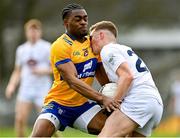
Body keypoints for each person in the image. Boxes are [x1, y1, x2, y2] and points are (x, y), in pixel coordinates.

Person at [30, 4, 120, 137]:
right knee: (39, 136)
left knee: (117, 129)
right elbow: (72, 81)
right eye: (78, 19)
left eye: (85, 18)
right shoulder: (60, 46)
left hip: (82, 106)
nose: (83, 22)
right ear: (66, 23)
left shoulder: (93, 43)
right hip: (58, 104)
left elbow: (103, 77)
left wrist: (114, 94)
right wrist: (102, 98)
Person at [89, 21, 164, 137]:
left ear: (101, 35)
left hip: (139, 100)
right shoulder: (124, 49)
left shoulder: (107, 49)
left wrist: (113, 104)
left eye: (91, 37)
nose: (89, 42)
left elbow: (127, 76)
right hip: (156, 103)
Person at [5, 19, 52, 137]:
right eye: (31, 31)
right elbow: (17, 71)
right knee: (20, 119)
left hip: (42, 88)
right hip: (26, 88)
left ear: (40, 32)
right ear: (26, 32)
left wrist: (43, 71)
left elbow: (54, 69)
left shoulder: (47, 47)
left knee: (47, 122)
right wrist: (11, 85)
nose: (33, 33)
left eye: (36, 30)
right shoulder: (21, 49)